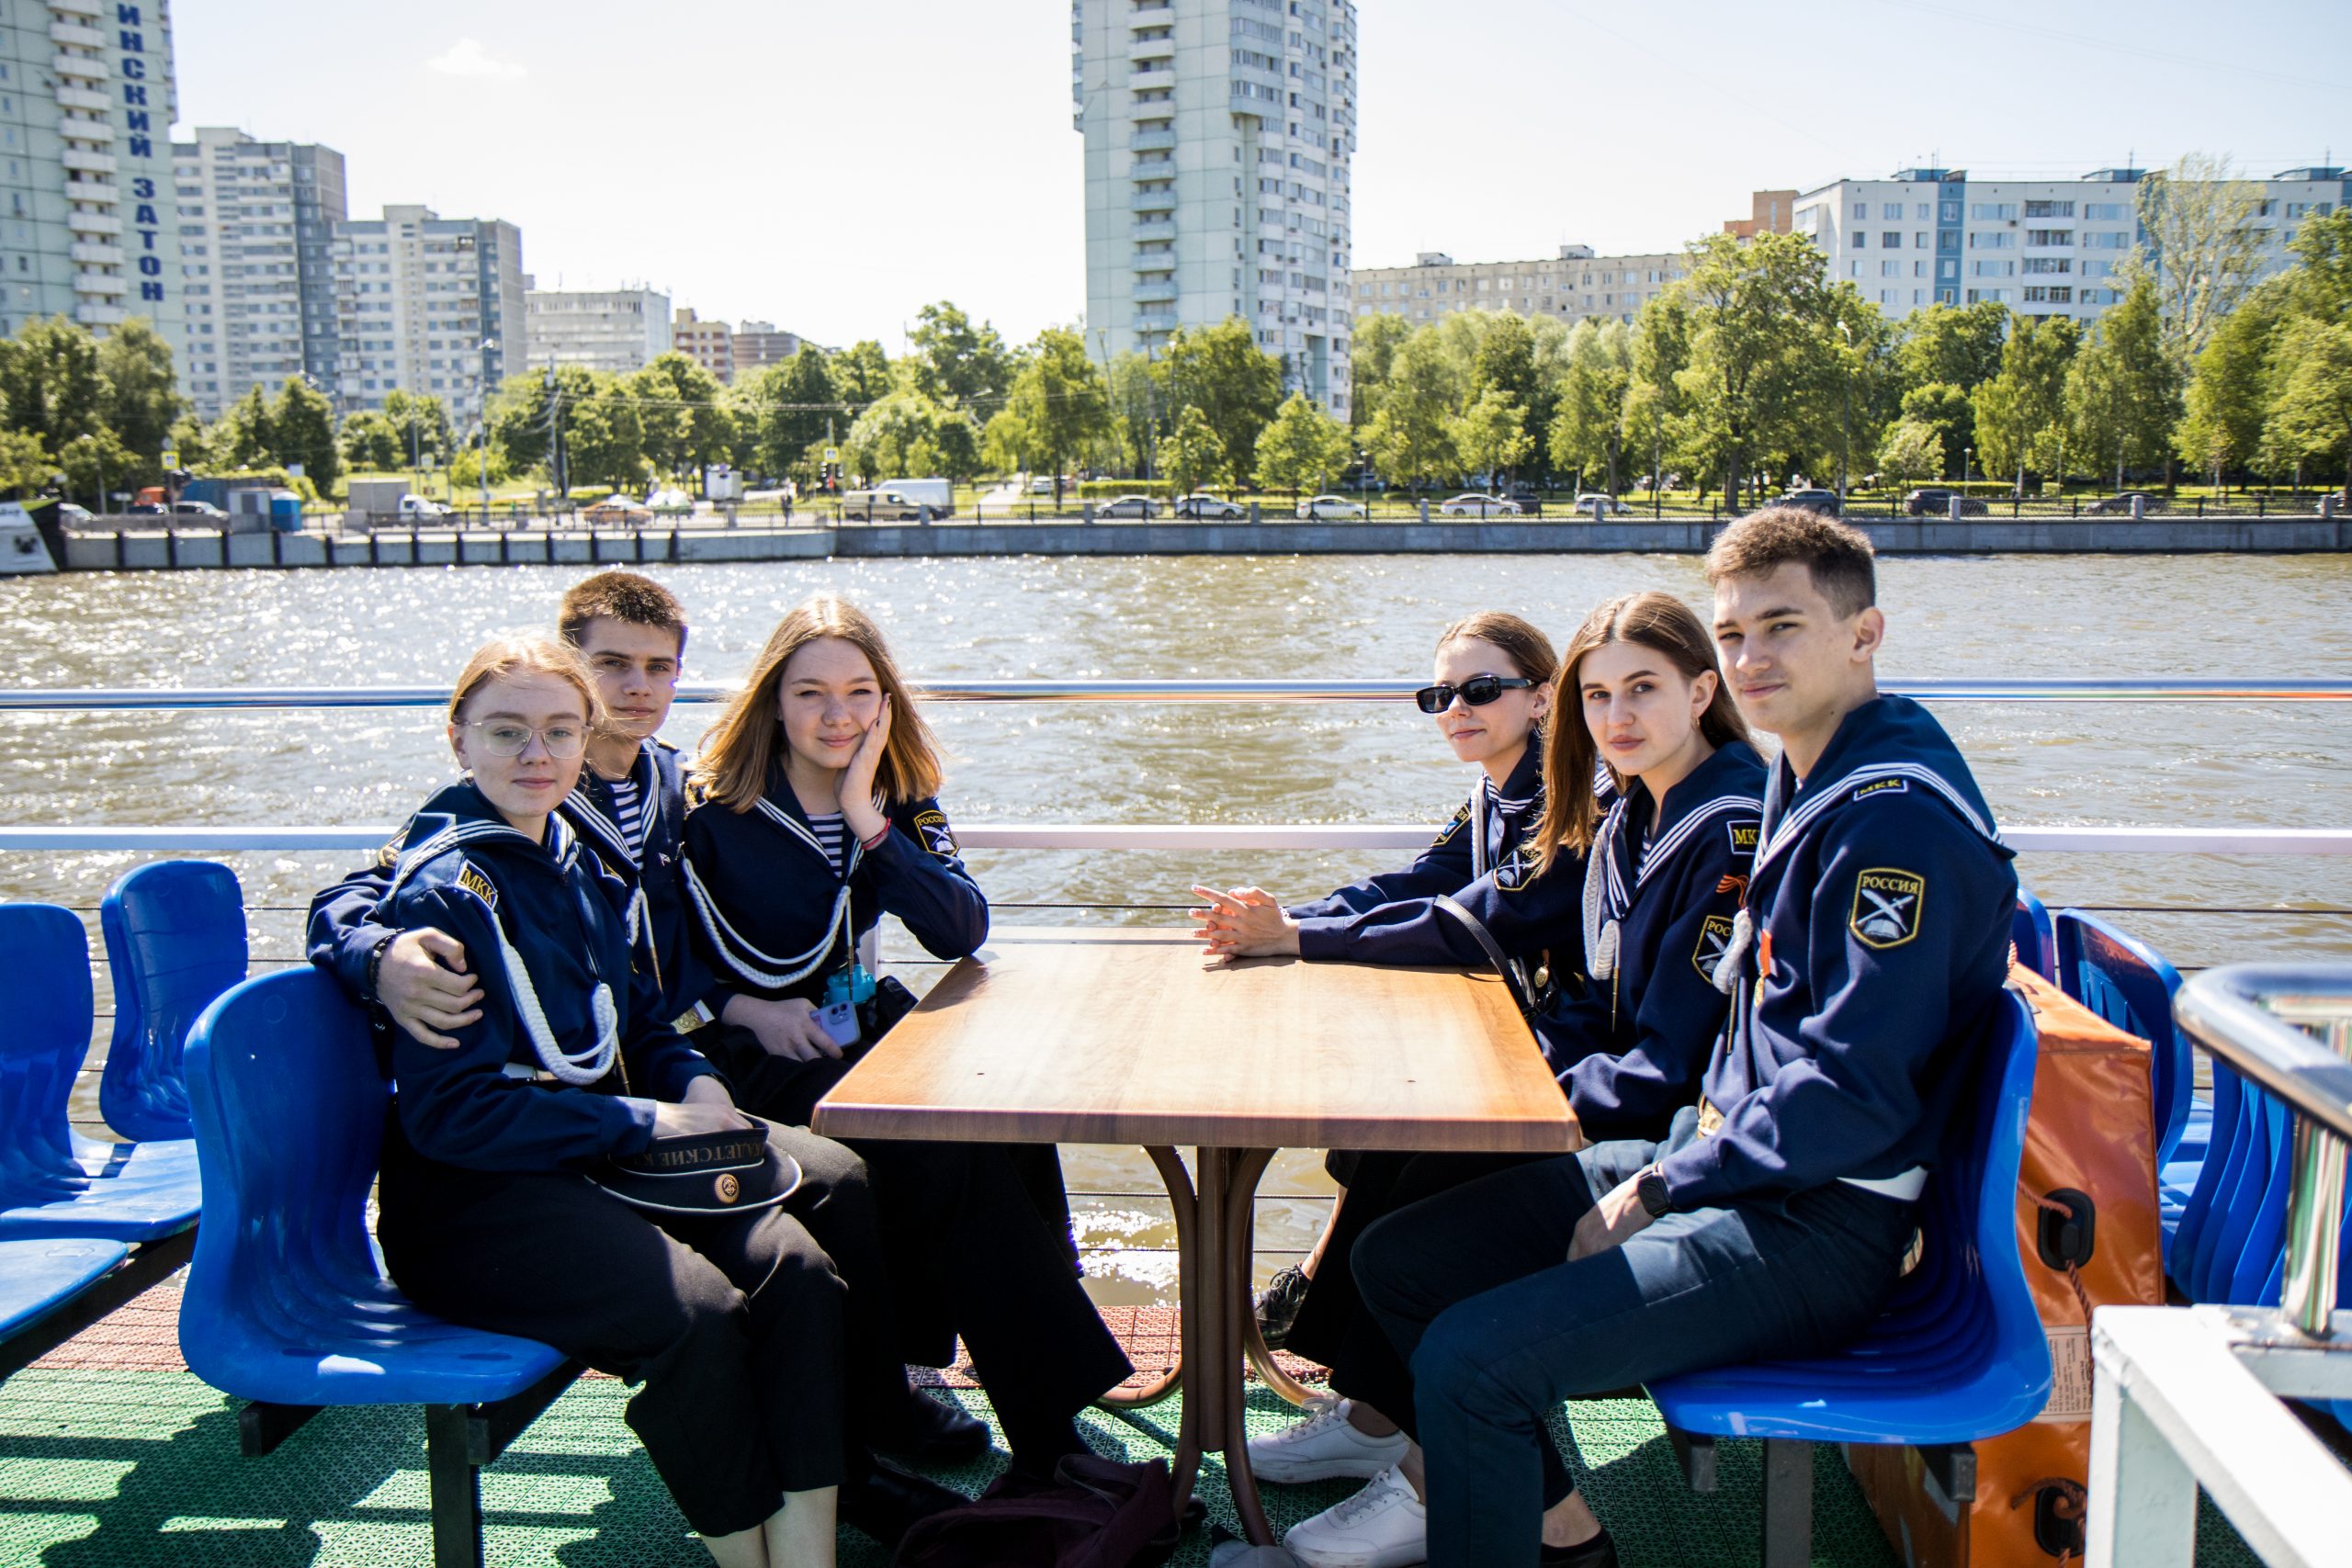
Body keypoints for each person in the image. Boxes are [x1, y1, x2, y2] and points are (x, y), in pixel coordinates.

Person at [1329, 509, 2018, 1568]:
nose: (1750, 658)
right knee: (1402, 1260)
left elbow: (1849, 1094)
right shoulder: (1807, 773)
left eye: (1780, 627)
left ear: (1863, 635)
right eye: (1734, 631)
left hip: (1811, 1228)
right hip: (1736, 1171)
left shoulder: (1893, 824)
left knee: (1473, 1358)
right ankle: (1562, 1538)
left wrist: (1661, 1187)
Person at [304, 574, 993, 1472]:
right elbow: (354, 895)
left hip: (670, 1057)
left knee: (906, 1154)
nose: (637, 689)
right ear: (574, 676)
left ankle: (882, 1399)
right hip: (580, 1099)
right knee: (850, 1169)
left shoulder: (678, 784)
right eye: (612, 667)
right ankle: (848, 1434)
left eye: (659, 669)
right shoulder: (514, 790)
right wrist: (375, 955)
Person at [1256, 592, 1766, 1563]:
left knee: (1423, 1185)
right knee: (1397, 1154)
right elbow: (1458, 892)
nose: (1614, 719)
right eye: (1599, 696)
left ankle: (1425, 1467)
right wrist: (1299, 930)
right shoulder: (1641, 805)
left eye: (1641, 690)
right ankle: (1387, 1423)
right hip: (1625, 1091)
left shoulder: (1723, 826)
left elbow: (1673, 1062)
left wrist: (1519, 1107)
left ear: (1702, 692)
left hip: (1684, 1137)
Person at [363, 637, 887, 1568]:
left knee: (799, 1272)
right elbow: (455, 1117)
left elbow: (638, 1015)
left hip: (585, 1159)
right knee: (701, 1318)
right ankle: (744, 1556)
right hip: (475, 1206)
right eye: (508, 732)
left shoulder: (574, 861)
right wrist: (649, 1120)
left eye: (560, 731)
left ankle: (808, 1558)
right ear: (458, 740)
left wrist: (697, 1082)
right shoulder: (445, 895)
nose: (537, 754)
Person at [682, 592, 1133, 1477]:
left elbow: (961, 926)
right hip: (765, 1054)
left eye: (859, 691)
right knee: (940, 1150)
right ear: (773, 697)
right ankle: (1046, 1434)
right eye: (811, 692)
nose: (837, 714)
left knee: (1003, 1110)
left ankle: (1020, 1376)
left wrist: (867, 819)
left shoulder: (898, 796)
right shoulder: (711, 808)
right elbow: (660, 952)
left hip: (865, 1027)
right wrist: (744, 1009)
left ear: (886, 701)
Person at [1189, 613, 1584, 1347]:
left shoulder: (1571, 801)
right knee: (1389, 1102)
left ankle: (1348, 1367)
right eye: (1440, 697)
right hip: (1526, 1038)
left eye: (1481, 688)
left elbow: (1462, 921)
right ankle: (1334, 1342)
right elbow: (1417, 882)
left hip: (1578, 1067)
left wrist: (1297, 938)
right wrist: (1281, 921)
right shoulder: (1495, 794)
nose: (1456, 709)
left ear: (1541, 697)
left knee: (1412, 1119)